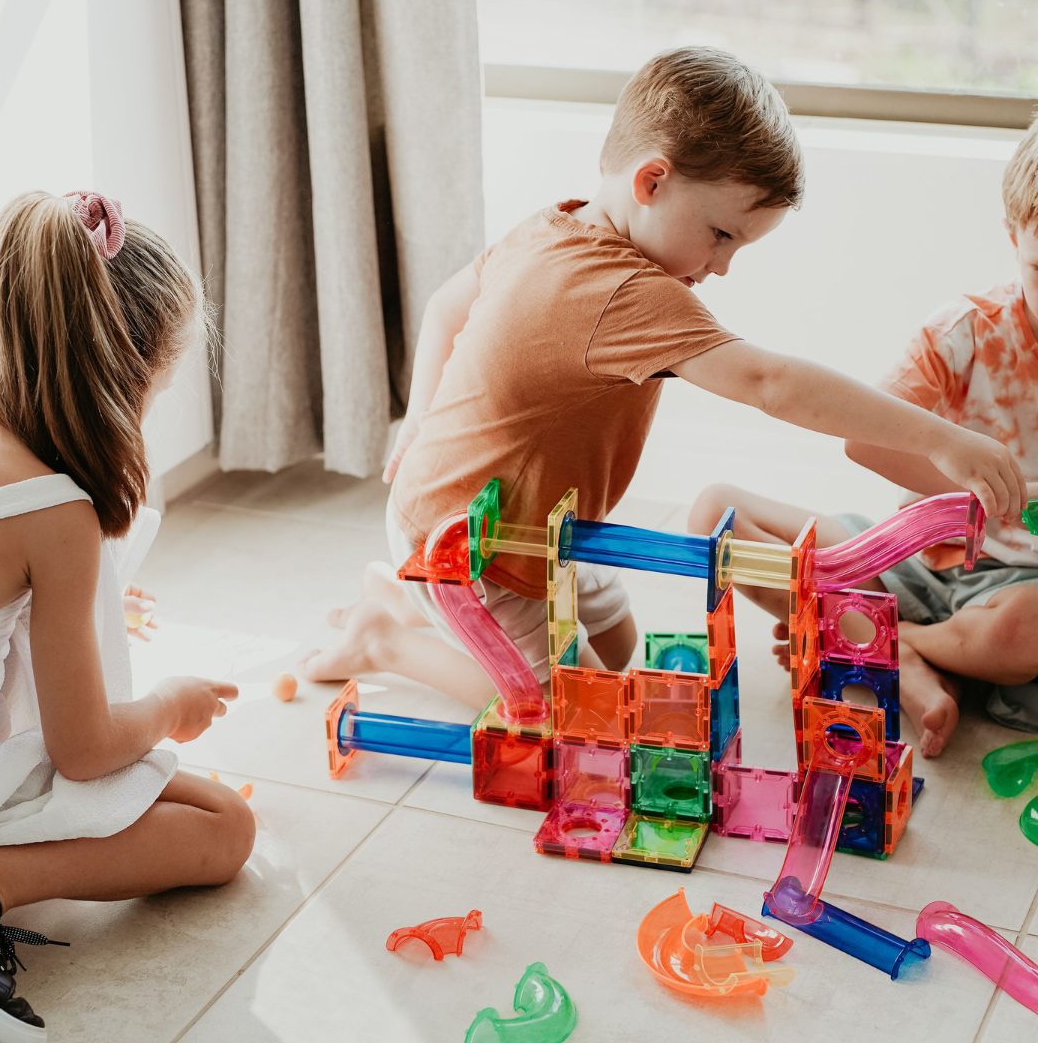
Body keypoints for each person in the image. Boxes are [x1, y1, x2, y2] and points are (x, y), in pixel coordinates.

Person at [302, 47, 1026, 718]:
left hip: (545, 527)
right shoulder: (626, 293)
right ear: (652, 181)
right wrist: (943, 439)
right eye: (722, 236)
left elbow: (445, 307)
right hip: (472, 546)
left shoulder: (552, 225)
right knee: (571, 716)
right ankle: (384, 639)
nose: (722, 267)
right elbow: (768, 380)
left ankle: (404, 602)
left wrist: (422, 417)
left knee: (618, 650)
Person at [0, 191, 254, 1040]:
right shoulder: (54, 514)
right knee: (222, 825)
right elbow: (83, 751)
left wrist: (73, 606)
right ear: (117, 383)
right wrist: (170, 703)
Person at [690, 115, 1038, 760]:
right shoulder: (965, 330)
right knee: (716, 513)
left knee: (1025, 632)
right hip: (917, 561)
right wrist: (978, 488)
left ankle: (897, 646)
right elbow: (864, 441)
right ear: (1013, 235)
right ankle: (893, 648)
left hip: (1018, 601)